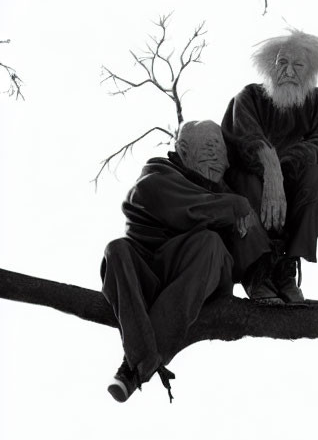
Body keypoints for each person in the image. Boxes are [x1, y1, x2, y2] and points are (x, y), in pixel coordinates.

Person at [101, 121, 271, 402]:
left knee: (210, 244)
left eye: (221, 150)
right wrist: (232, 206)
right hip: (149, 272)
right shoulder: (155, 178)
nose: (218, 158)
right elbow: (180, 206)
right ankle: (143, 360)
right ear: (183, 151)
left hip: (201, 280)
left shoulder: (222, 190)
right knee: (116, 250)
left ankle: (134, 366)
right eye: (209, 147)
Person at [221, 29, 318, 303]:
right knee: (244, 180)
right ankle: (256, 270)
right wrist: (269, 168)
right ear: (270, 67)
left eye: (298, 65)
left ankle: (286, 267)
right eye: (282, 62)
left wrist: (281, 172)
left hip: (294, 189)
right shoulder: (248, 97)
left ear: (310, 72)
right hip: (250, 189)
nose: (288, 70)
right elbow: (244, 141)